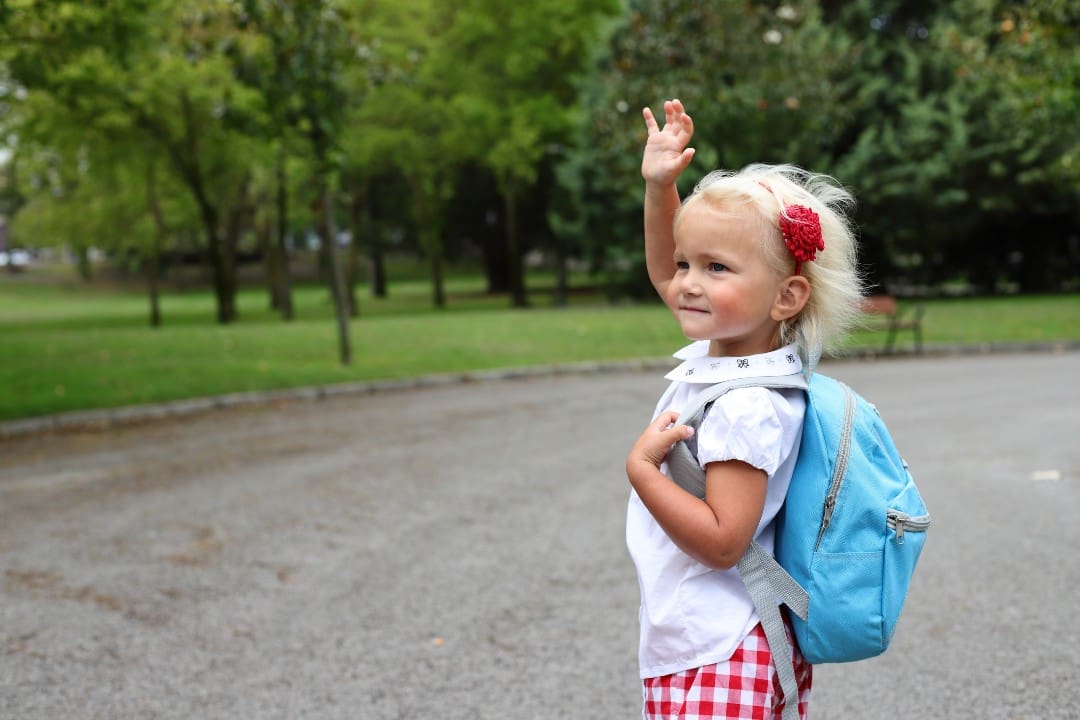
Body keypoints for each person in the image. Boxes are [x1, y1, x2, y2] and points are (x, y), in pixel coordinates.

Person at [624, 99, 864, 719]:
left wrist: (644, 473)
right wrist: (661, 188)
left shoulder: (745, 405)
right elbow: (664, 269)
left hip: (719, 647)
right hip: (726, 640)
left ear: (786, 296)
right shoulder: (740, 357)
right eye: (686, 264)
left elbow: (726, 540)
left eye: (716, 267)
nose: (686, 283)